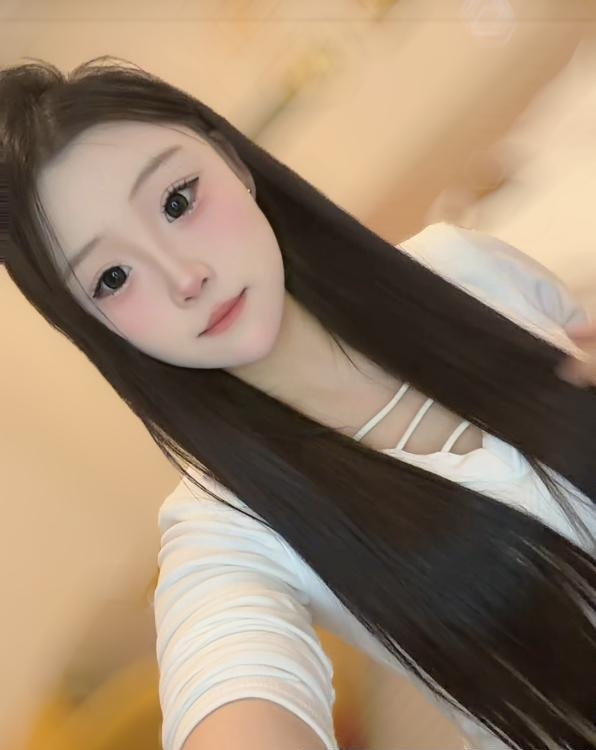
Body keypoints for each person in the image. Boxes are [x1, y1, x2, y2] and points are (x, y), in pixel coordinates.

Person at [0, 56, 594, 750]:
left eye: (177, 203)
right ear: (94, 327)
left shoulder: (467, 271)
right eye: (111, 277)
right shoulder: (226, 530)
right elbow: (229, 677)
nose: (184, 277)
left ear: (232, 161)